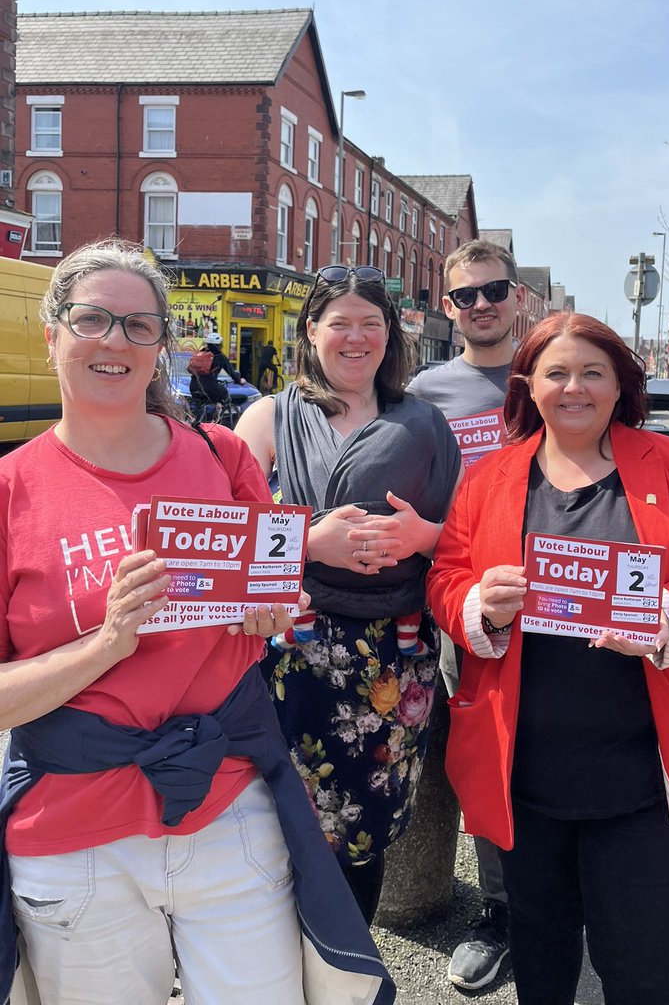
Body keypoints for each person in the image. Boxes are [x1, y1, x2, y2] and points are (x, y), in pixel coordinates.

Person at [0, 240, 395, 1005]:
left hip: (228, 810)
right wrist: (107, 644)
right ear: (52, 336)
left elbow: (273, 601)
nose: (115, 340)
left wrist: (275, 611)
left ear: (161, 349)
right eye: (92, 320)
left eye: (138, 326)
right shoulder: (12, 491)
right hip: (75, 834)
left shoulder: (219, 458)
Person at [427, 312, 669, 1005]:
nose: (575, 388)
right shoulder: (490, 478)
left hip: (642, 777)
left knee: (638, 962)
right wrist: (481, 604)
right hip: (526, 775)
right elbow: (446, 578)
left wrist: (665, 619)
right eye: (556, 373)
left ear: (619, 383)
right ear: (528, 387)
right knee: (541, 957)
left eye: (592, 372)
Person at [235, 263, 461, 924]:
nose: (356, 338)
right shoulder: (268, 415)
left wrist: (423, 535)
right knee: (274, 827)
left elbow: (472, 539)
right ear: (312, 330)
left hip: (394, 662)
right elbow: (226, 534)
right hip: (291, 658)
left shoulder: (424, 423)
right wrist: (310, 543)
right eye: (340, 324)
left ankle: (349, 965)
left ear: (390, 336)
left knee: (364, 835)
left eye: (372, 324)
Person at [406, 238, 525, 990]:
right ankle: (502, 912)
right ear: (447, 306)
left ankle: (575, 898)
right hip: (473, 604)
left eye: (494, 290)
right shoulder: (427, 393)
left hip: (572, 599)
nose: (480, 305)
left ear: (517, 297)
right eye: (464, 296)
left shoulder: (557, 370)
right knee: (485, 758)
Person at [188, 331, 246, 422]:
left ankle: (197, 422)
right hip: (210, 387)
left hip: (194, 385)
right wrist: (239, 380)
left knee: (199, 406)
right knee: (225, 396)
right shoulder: (220, 356)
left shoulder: (200, 353)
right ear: (220, 345)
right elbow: (231, 372)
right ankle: (217, 419)